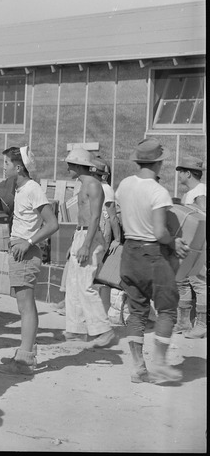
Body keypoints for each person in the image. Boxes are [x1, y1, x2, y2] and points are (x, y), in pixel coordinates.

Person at [115, 139, 189, 384]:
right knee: (167, 309)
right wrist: (174, 242)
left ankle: (138, 367)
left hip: (129, 253)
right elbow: (159, 232)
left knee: (136, 312)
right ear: (159, 162)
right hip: (152, 254)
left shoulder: (124, 185)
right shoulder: (158, 191)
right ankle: (159, 363)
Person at [0, 146, 59, 376]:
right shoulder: (21, 188)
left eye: (6, 163)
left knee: (26, 308)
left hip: (26, 253)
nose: (3, 167)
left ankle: (25, 361)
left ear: (18, 167)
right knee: (25, 306)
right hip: (20, 251)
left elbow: (52, 224)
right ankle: (26, 354)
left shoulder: (32, 189)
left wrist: (28, 242)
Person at [62, 149, 116, 347]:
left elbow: (95, 217)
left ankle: (104, 329)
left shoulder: (93, 185)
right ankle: (76, 329)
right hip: (82, 233)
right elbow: (83, 217)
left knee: (84, 284)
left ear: (77, 165)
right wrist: (74, 243)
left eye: (70, 164)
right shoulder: (84, 184)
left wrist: (85, 245)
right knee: (73, 283)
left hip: (89, 236)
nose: (67, 168)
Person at [174, 155, 206, 339]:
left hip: (198, 244)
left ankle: (201, 325)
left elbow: (203, 214)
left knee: (199, 282)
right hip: (189, 243)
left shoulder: (199, 191)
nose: (179, 175)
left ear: (188, 173)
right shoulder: (190, 193)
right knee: (182, 280)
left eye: (181, 172)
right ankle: (183, 322)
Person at [90, 156, 122, 314]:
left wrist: (117, 239)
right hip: (95, 227)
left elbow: (113, 217)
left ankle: (102, 308)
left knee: (99, 266)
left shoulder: (106, 189)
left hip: (103, 228)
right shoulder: (92, 186)